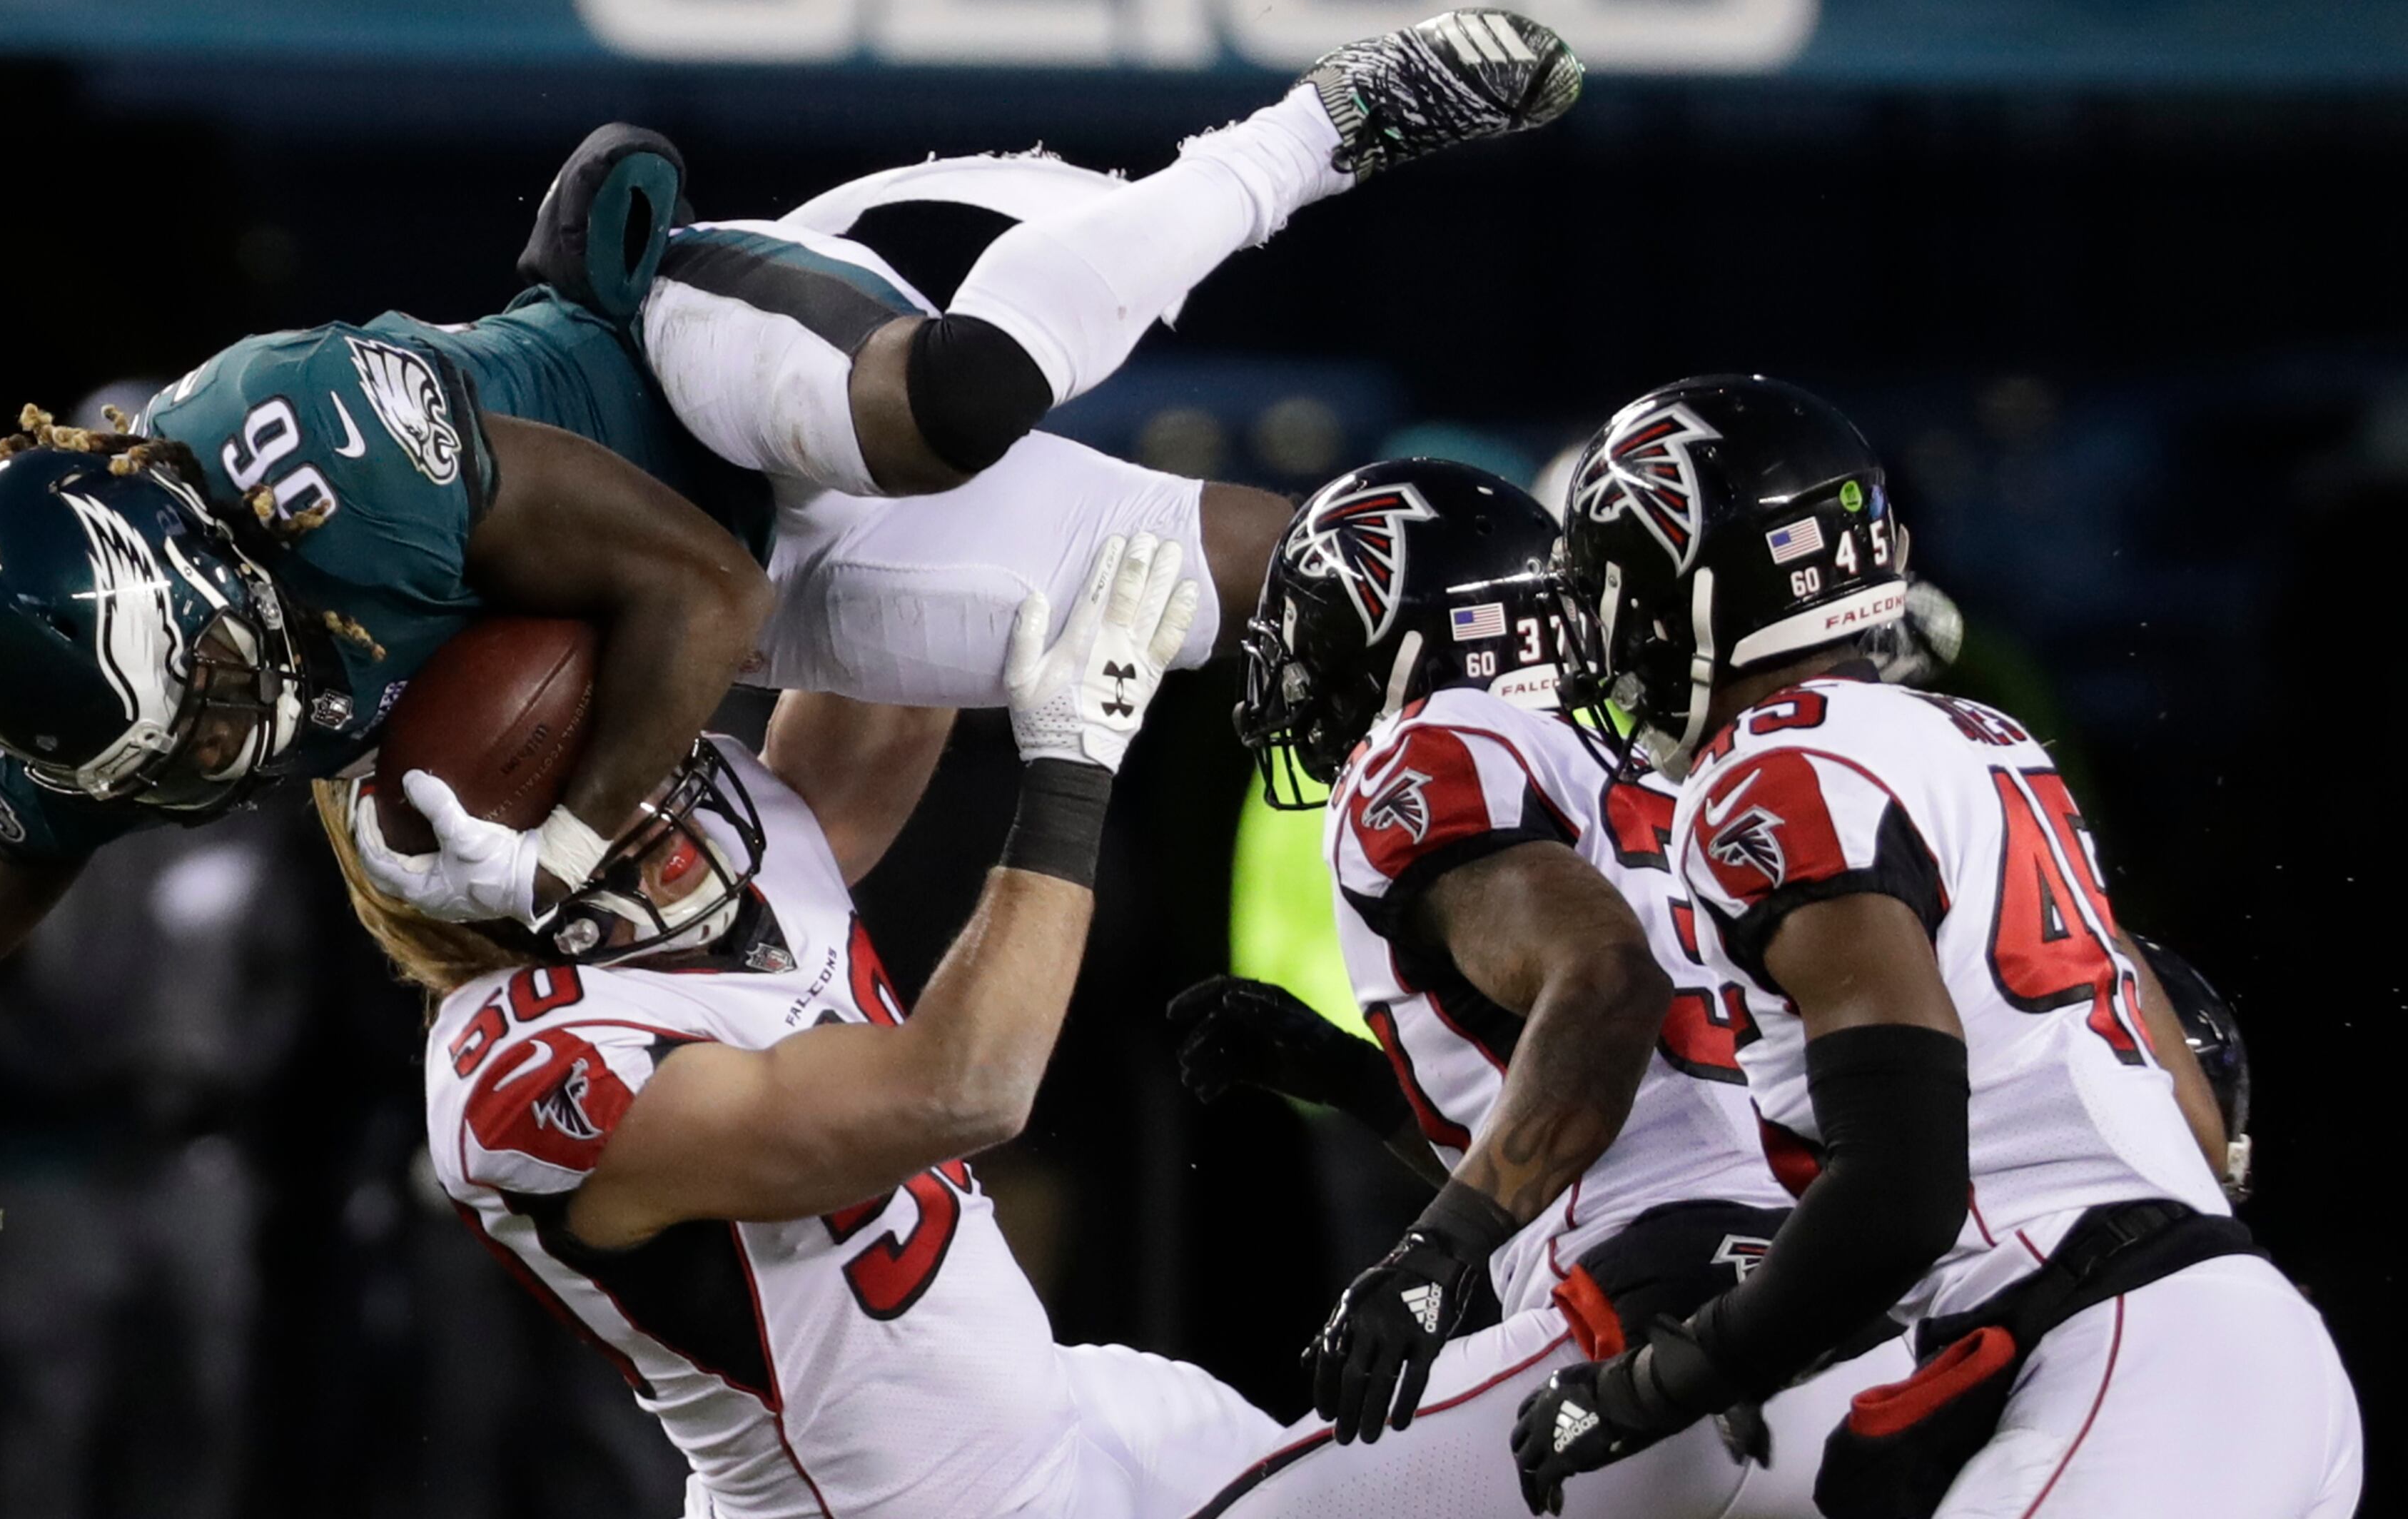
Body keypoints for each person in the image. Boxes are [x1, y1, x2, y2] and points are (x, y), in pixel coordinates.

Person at [0, 7, 1585, 1353]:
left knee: (949, 401)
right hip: (765, 591)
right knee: (1353, 595)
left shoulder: (332, 439)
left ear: (194, 547)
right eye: (184, 748)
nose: (233, 743)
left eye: (216, 686)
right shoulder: (77, 737)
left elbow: (700, 572)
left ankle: (1317, 124)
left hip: (696, 381)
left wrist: (570, 841)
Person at [1514, 376, 2360, 1518]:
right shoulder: (1980, 734)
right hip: (2225, 1343)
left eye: (1616, 591)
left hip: (2123, 1360)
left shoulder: (1772, 777)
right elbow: (2196, 1134)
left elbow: (1904, 1183)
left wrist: (1665, 1379)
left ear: (1698, 593)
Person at [350, 535, 1285, 1517]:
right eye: (573, 799)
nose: (645, 807)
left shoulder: (722, 816)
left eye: (628, 748)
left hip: (1062, 1413)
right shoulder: (520, 1069)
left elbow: (906, 655)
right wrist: (1072, 764)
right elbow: (965, 1088)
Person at [1163, 462, 1904, 1518]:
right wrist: (1358, 1081)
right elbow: (1630, 1092)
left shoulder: (1424, 745)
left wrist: (1434, 1257)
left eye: (1310, 638)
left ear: (1393, 630)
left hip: (1647, 1305)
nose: (1293, 679)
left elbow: (1608, 986)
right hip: (1816, 1293)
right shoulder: (1655, 767)